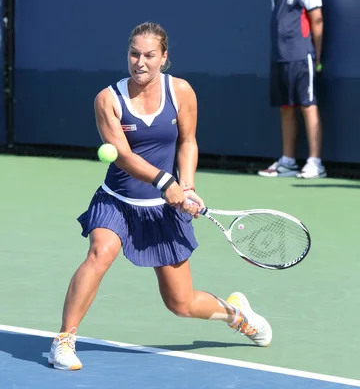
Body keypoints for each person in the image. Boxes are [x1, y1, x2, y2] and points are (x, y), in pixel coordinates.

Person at [48, 22, 272, 371]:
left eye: (149, 55)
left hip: (163, 211)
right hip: (117, 200)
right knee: (100, 252)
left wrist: (188, 185)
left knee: (181, 303)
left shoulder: (181, 92)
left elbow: (188, 141)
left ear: (164, 58)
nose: (140, 62)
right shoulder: (108, 99)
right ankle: (63, 341)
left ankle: (236, 314)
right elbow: (122, 155)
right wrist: (165, 181)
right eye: (134, 54)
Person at [258, 0, 326, 180]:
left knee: (308, 105)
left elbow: (316, 20)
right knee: (286, 108)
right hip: (280, 58)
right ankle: (287, 161)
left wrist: (316, 55)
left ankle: (315, 162)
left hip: (302, 56)